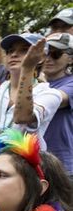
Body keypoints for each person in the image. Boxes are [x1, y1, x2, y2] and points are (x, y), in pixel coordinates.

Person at [0, 33, 64, 169]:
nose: (14, 54)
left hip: (21, 178)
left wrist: (27, 68)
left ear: (41, 58)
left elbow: (22, 117)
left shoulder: (50, 94)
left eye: (23, 50)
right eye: (10, 51)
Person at [41, 33, 73, 174]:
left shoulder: (70, 83)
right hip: (34, 162)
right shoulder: (33, 83)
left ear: (70, 58)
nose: (48, 59)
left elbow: (55, 101)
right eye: (45, 53)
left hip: (63, 166)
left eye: (56, 53)